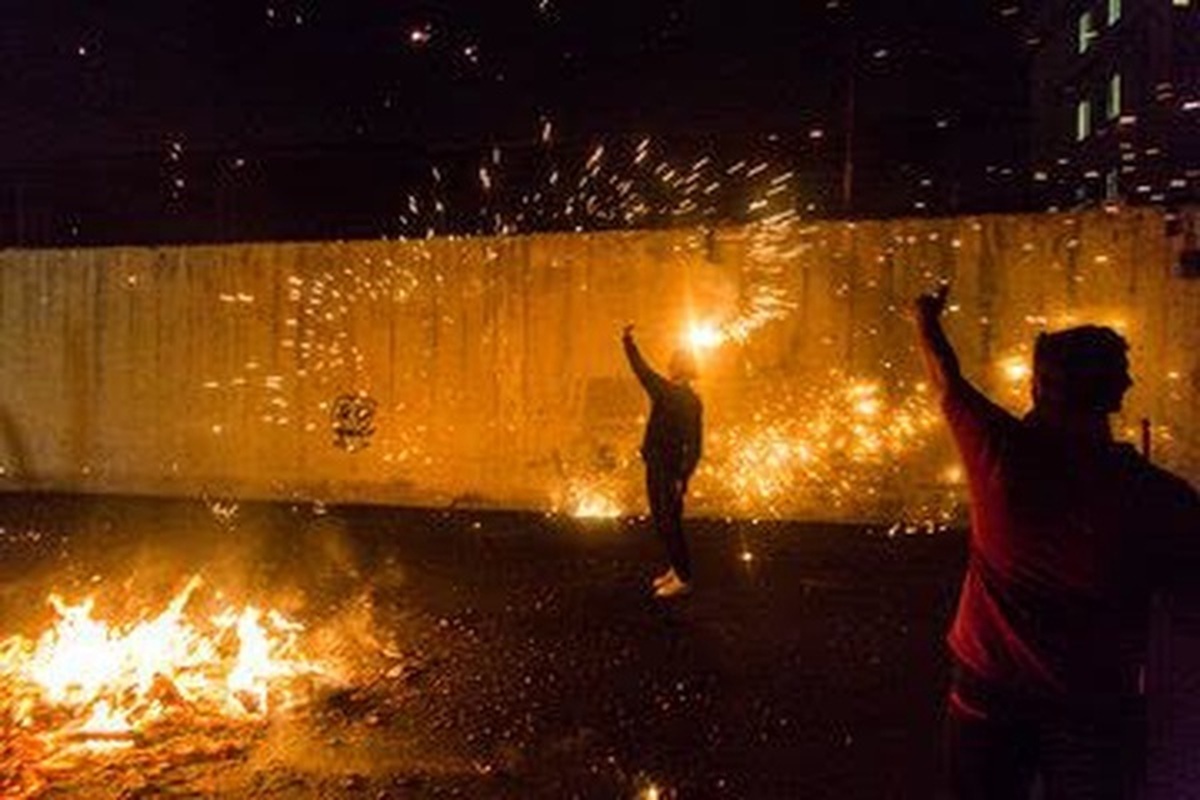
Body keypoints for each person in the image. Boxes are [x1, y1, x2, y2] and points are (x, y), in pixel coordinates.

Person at [913, 283, 1199, 798]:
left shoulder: (998, 451)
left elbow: (945, 380)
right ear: (1119, 391)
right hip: (1094, 705)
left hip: (989, 694)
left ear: (1040, 388)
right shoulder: (1157, 497)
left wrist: (925, 320)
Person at [622, 324, 703, 598]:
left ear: (675, 369)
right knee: (669, 520)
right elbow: (695, 444)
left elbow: (640, 369)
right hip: (673, 467)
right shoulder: (693, 400)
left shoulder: (667, 392)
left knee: (666, 521)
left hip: (662, 467)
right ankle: (677, 569)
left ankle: (683, 577)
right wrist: (685, 475)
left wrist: (627, 341)